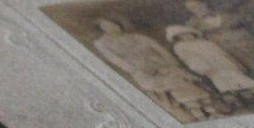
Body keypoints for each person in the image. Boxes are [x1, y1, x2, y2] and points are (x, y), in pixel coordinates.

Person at [89, 19, 220, 121]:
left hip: (164, 67)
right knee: (170, 95)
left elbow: (160, 50)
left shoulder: (138, 37)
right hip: (143, 72)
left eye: (113, 24)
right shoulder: (102, 43)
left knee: (189, 88)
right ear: (102, 29)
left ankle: (212, 113)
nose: (112, 27)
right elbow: (115, 59)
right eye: (106, 26)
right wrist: (137, 70)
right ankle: (195, 116)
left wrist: (172, 65)